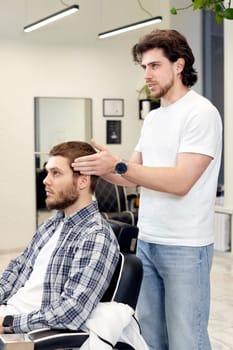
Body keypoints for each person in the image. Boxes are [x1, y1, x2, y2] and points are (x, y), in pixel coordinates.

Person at [72, 29, 222, 350]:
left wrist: (120, 164)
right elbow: (131, 177)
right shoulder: (153, 118)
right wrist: (102, 168)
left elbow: (181, 181)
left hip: (186, 246)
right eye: (143, 67)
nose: (147, 74)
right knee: (150, 339)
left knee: (187, 340)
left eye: (154, 65)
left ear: (179, 65)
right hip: (149, 241)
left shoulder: (201, 113)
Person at [0, 141, 119, 334]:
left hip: (23, 330)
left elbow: (72, 312)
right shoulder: (53, 224)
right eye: (47, 172)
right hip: (9, 312)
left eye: (56, 173)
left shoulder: (95, 235)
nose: (46, 180)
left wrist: (7, 323)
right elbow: (17, 268)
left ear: (83, 181)